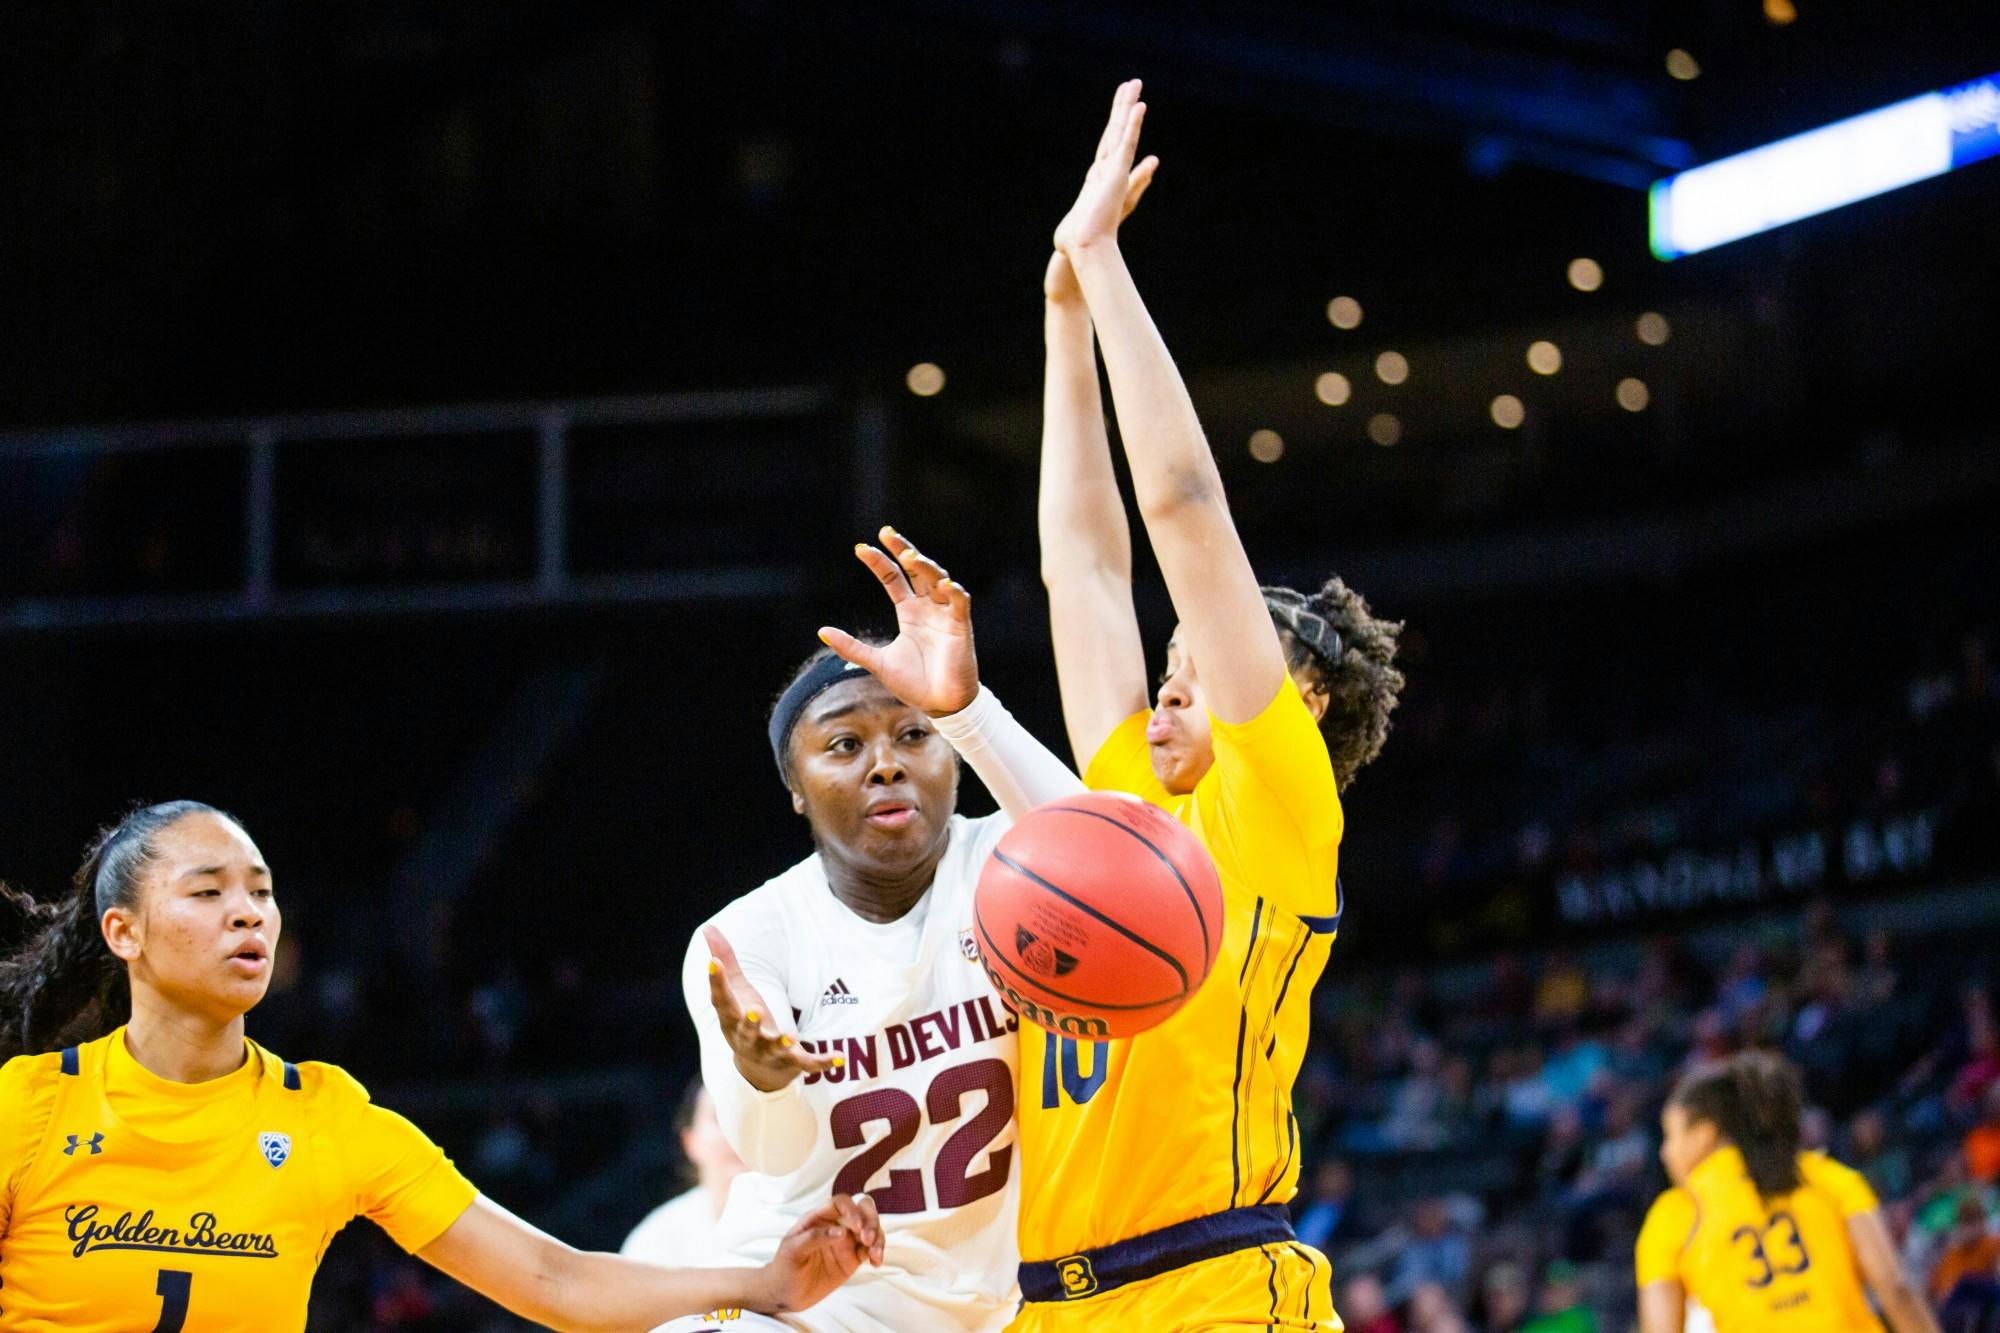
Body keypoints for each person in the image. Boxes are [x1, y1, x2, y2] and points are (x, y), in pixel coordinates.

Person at [825, 77, 1405, 1329]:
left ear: (1292, 696)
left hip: (1214, 1284)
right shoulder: (1127, 806)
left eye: (1195, 658)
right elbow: (1082, 567)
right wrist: (1060, 318)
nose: (1169, 672)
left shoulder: (1278, 807)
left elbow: (1182, 515)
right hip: (1049, 1304)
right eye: (1172, 657)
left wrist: (1105, 259)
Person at [0, 800, 882, 1333]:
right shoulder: (26, 1108)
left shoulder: (326, 1118)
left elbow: (555, 1278)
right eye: (207, 891)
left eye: (262, 892)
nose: (249, 914)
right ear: (125, 932)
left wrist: (764, 1282)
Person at [672, 633, 1072, 1333]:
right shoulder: (744, 937)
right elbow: (775, 1154)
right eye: (845, 745)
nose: (885, 763)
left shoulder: (1012, 859)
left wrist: (969, 709)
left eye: (915, 733)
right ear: (796, 788)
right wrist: (763, 1074)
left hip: (1004, 1304)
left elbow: (1123, 857)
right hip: (818, 1303)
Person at [1635, 1050, 1940, 1333]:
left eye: (1670, 1136)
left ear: (1705, 1133)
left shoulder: (1675, 1213)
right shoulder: (1825, 1176)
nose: (1666, 1153)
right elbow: (1895, 1287)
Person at [622, 1080, 748, 1265]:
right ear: (690, 1141)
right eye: (720, 1118)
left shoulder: (800, 1224)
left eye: (751, 1120)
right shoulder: (655, 1240)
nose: (738, 1132)